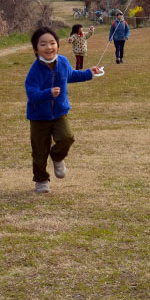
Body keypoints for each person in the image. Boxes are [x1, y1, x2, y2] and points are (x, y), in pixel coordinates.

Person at [25, 26, 101, 194]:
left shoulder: (64, 62)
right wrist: (48, 93)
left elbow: (72, 75)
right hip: (39, 117)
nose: (48, 47)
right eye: (43, 44)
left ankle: (57, 157)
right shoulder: (35, 70)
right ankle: (41, 179)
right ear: (36, 49)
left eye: (52, 43)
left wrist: (89, 72)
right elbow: (31, 93)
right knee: (39, 150)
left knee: (67, 137)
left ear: (58, 46)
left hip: (59, 113)